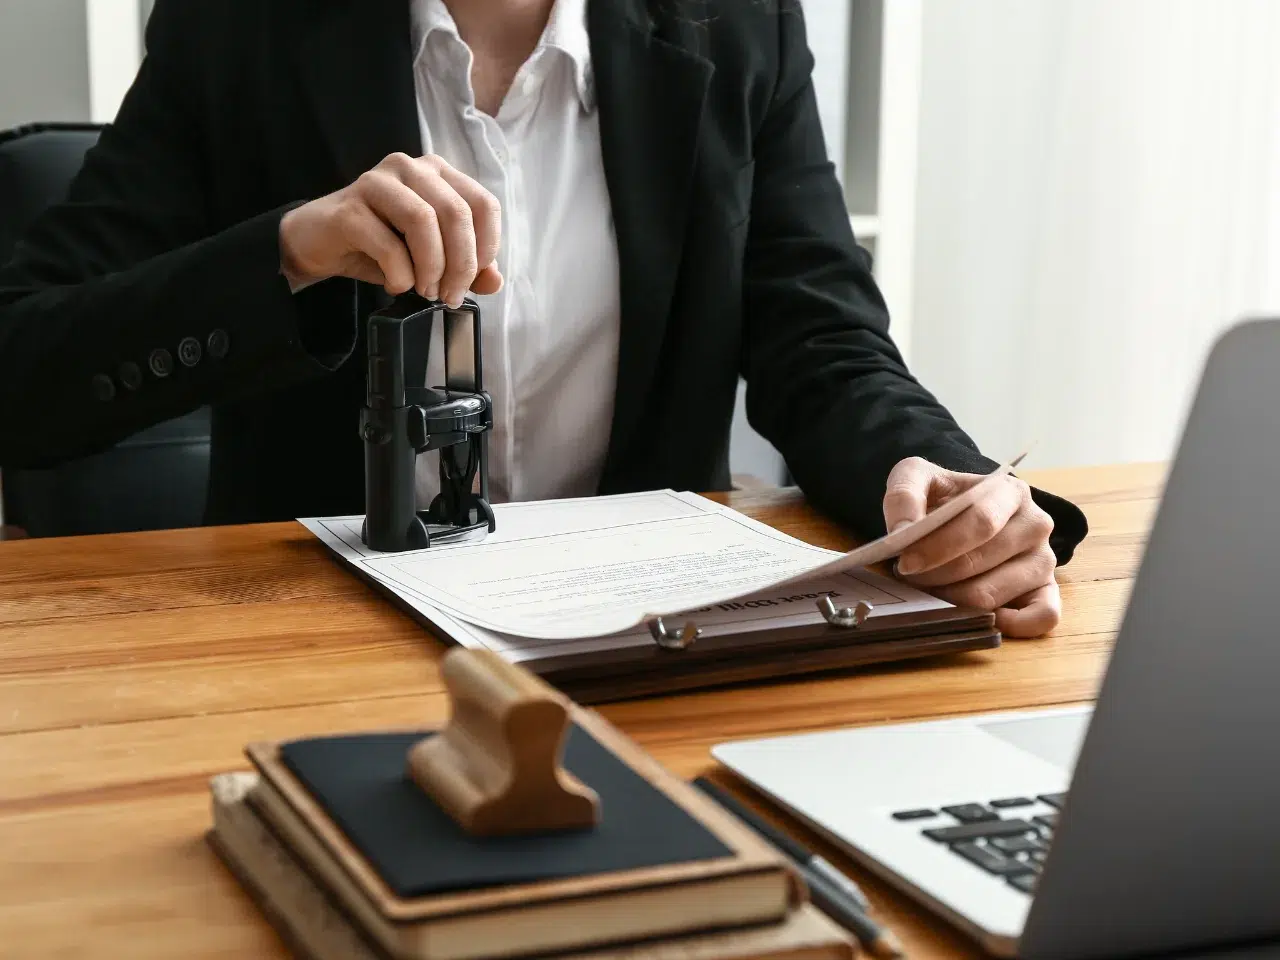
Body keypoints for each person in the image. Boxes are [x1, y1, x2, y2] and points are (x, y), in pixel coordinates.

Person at [0, 0, 1086, 637]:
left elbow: (822, 334)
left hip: (642, 643)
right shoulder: (241, 24)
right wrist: (286, 251)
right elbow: (22, 365)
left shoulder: (736, 16)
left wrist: (931, 480)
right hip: (315, 644)